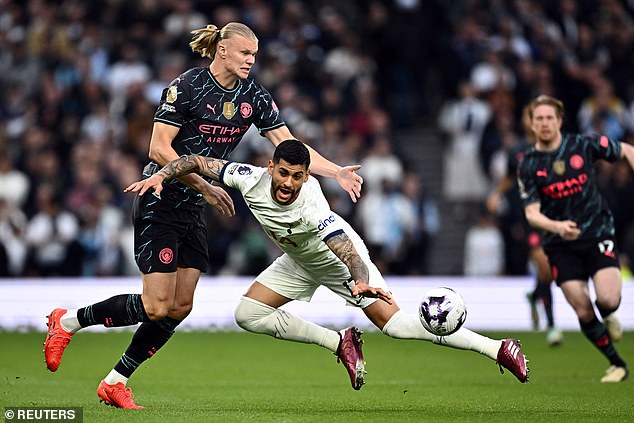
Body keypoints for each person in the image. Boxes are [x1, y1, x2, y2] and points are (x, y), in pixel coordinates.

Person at [43, 22, 363, 409]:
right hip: (160, 199)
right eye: (245, 53)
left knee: (179, 308)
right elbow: (159, 149)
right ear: (222, 50)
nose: (251, 60)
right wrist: (207, 187)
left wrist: (336, 172)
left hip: (192, 209)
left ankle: (115, 381)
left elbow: (291, 148)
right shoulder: (187, 87)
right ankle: (67, 322)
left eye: (255, 55)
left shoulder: (254, 96)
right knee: (156, 306)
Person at [125, 139, 529, 394]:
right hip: (299, 261)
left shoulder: (313, 204)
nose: (287, 183)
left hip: (333, 261)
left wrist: (361, 281)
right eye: (283, 173)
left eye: (297, 177)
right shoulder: (249, 177)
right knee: (247, 313)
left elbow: (346, 250)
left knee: (400, 327)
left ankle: (497, 348)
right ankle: (340, 343)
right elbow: (195, 160)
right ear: (271, 167)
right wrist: (161, 175)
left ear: (305, 177)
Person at [517, 94, 634, 383]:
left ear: (559, 121)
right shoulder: (528, 165)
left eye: (549, 118)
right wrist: (557, 227)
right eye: (538, 119)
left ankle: (608, 315)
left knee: (608, 299)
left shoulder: (583, 145)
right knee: (581, 305)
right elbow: (532, 214)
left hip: (596, 232)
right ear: (532, 124)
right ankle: (616, 364)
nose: (544, 123)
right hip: (560, 243)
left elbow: (627, 150)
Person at [487, 106, 563, 346]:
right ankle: (551, 326)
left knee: (549, 271)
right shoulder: (517, 151)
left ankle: (534, 295)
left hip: (553, 217)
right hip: (530, 219)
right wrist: (496, 194)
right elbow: (509, 178)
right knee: (544, 266)